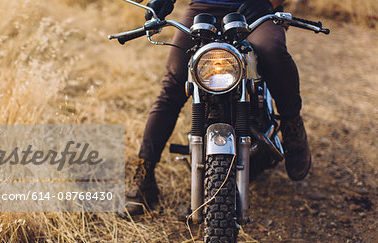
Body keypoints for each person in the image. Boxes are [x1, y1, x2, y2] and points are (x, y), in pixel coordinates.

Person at [125, 0, 311, 215]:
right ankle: (144, 173)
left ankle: (292, 124)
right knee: (175, 82)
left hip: (254, 8)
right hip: (204, 8)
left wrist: (268, 3)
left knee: (272, 50)